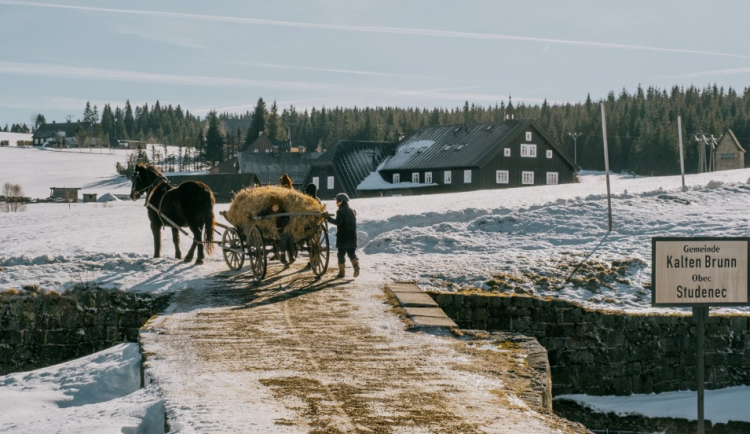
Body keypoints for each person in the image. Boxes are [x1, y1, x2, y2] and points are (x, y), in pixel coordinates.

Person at [326, 192, 359, 278]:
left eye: (337, 201)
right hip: (352, 236)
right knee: (352, 253)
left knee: (341, 254)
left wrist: (328, 218)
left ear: (341, 201)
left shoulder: (340, 211)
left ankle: (342, 273)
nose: (336, 203)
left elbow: (338, 222)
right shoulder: (352, 211)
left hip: (343, 236)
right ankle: (356, 267)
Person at [258, 196, 295, 265]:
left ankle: (291, 255)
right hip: (272, 230)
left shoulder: (282, 211)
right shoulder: (268, 211)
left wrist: (282, 223)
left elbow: (287, 217)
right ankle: (283, 257)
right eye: (274, 206)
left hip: (281, 228)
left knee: (290, 236)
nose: (276, 208)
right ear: (271, 206)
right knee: (283, 237)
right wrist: (260, 215)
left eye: (277, 206)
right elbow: (260, 214)